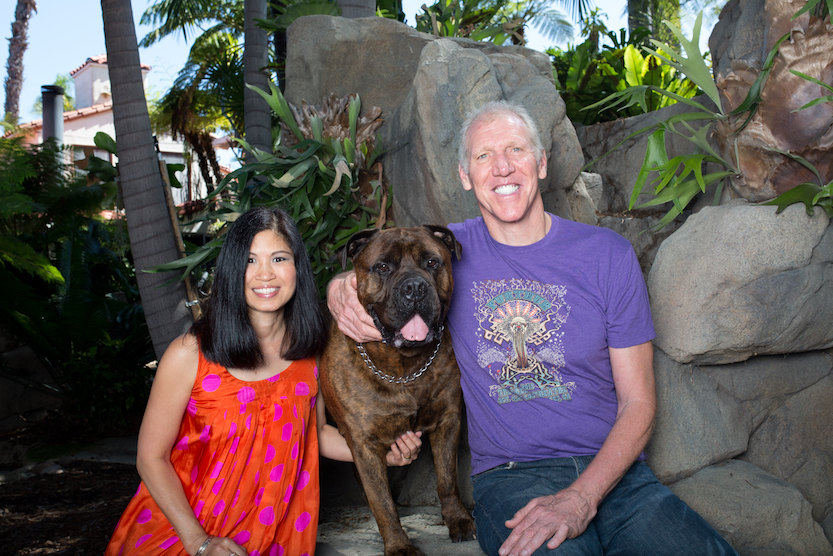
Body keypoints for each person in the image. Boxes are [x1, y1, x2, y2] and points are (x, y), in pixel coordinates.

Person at [327, 101, 739, 556]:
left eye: (516, 150)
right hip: (512, 477)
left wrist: (583, 497)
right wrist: (338, 286)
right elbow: (379, 273)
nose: (501, 167)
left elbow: (639, 403)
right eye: (484, 156)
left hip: (618, 477)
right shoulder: (449, 251)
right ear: (465, 175)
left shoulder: (608, 255)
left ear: (542, 163)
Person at [105, 206, 421, 556]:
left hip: (275, 538)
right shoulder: (189, 354)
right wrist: (199, 542)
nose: (265, 274)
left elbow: (314, 435)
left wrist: (383, 455)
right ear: (231, 270)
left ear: (297, 268)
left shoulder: (310, 355)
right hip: (183, 536)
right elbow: (151, 457)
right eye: (251, 260)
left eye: (279, 258)